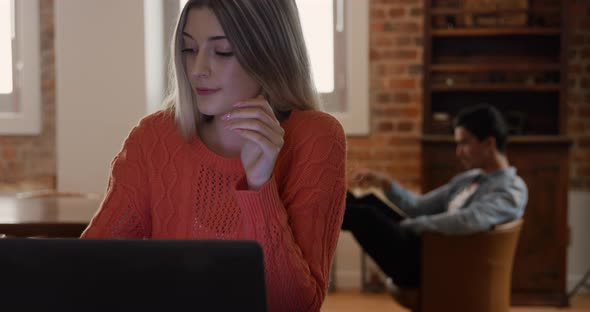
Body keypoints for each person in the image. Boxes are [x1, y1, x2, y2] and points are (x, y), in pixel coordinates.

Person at [82, 1, 347, 311]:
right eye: (188, 49)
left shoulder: (316, 137)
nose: (198, 69)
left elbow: (294, 305)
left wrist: (260, 186)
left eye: (222, 51)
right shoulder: (153, 137)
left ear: (269, 53)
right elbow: (87, 269)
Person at [342, 104, 528, 288]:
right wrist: (385, 183)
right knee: (367, 203)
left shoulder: (511, 189)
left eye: (464, 143)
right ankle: (324, 199)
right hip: (428, 250)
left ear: (489, 143)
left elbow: (470, 220)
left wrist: (412, 225)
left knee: (365, 216)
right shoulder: (469, 179)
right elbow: (418, 207)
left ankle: (315, 211)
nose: (458, 152)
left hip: (439, 265)